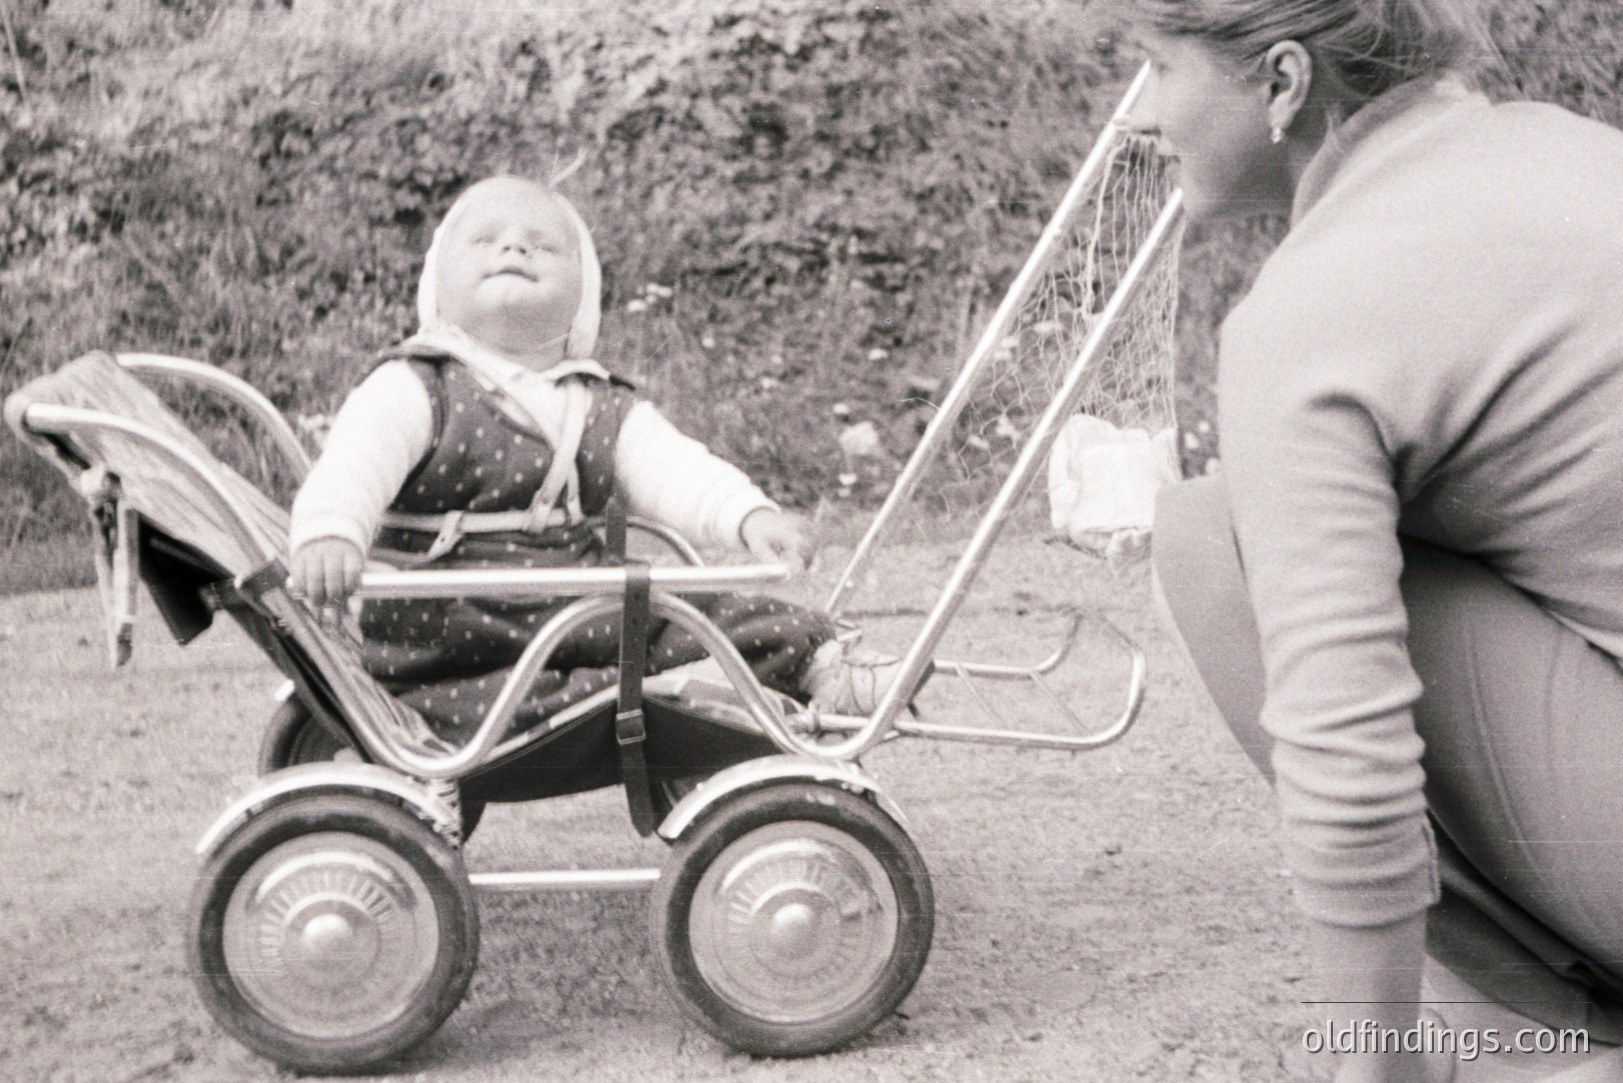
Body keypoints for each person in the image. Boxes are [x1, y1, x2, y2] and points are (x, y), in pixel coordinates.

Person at [1118, 1, 1623, 1080]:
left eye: (1159, 70)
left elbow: (1348, 752)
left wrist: (1374, 1058)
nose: (1143, 119)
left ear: (1283, 83)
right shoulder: (1566, 150)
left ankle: (1536, 1050)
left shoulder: (1311, 316)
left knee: (1214, 539)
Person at [287, 175, 886, 742]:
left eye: (544, 245)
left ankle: (822, 666)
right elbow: (352, 468)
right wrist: (331, 534)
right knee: (625, 674)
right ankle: (685, 696)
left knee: (709, 619)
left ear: (582, 291)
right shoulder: (415, 386)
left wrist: (750, 518)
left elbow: (678, 470)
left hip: (580, 615)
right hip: (451, 632)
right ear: (437, 281)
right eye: (485, 239)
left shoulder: (596, 402)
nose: (515, 246)